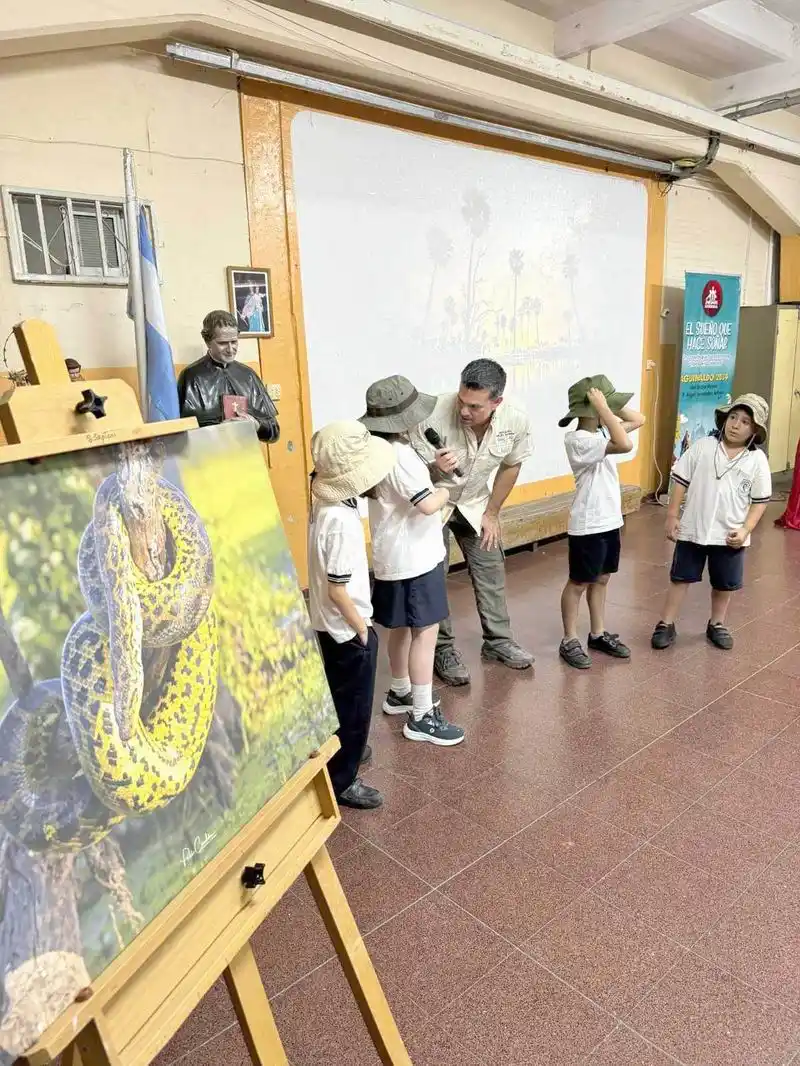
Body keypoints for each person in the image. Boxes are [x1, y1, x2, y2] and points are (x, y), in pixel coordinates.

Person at [411, 358, 534, 686]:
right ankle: (442, 648)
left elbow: (512, 465)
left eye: (475, 407)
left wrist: (492, 512)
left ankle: (498, 641)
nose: (464, 411)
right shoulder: (432, 412)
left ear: (497, 402)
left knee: (491, 566)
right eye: (462, 402)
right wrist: (435, 467)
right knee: (434, 577)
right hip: (434, 502)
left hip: (476, 503)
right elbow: (408, 474)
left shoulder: (515, 421)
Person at [360, 376, 465, 746]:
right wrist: (446, 486)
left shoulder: (377, 450)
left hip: (392, 557)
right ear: (405, 418)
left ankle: (400, 691)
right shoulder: (401, 454)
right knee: (426, 633)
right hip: (416, 560)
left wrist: (433, 471)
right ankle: (421, 715)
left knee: (402, 629)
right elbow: (425, 505)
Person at [307, 420, 396, 809]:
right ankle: (343, 780)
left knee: (338, 699)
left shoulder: (325, 507)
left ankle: (342, 754)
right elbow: (338, 589)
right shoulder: (341, 523)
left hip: (325, 625)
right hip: (348, 629)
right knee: (355, 708)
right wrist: (363, 630)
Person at [651, 394, 772, 652]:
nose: (736, 425)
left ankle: (717, 624)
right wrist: (673, 516)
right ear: (724, 419)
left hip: (730, 534)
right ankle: (666, 623)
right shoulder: (704, 446)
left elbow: (759, 501)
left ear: (755, 430)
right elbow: (681, 481)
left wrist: (745, 529)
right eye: (733, 417)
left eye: (745, 422)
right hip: (693, 528)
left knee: (724, 582)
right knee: (680, 577)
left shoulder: (757, 460)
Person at [557, 376, 645, 669]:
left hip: (609, 521)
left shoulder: (602, 435)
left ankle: (597, 632)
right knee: (579, 581)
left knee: (603, 578)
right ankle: (569, 638)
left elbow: (639, 419)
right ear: (591, 408)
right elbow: (625, 442)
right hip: (588, 524)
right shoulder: (579, 440)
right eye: (603, 404)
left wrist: (607, 407)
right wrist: (605, 409)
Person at [177, 310, 279, 442]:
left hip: (246, 457)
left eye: (234, 342)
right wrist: (218, 430)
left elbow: (274, 431)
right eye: (223, 343)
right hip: (207, 458)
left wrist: (256, 425)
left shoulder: (248, 375)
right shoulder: (191, 377)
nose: (230, 349)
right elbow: (178, 433)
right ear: (208, 342)